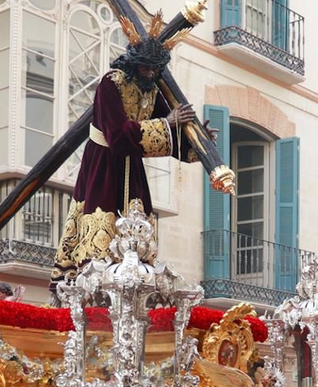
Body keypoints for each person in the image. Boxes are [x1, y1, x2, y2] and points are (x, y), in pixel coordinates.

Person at [50, 21, 206, 283]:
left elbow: (168, 133)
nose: (150, 72)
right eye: (146, 66)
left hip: (132, 169)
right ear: (133, 62)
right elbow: (118, 136)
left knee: (137, 231)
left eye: (155, 68)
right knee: (99, 232)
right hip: (104, 164)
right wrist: (168, 122)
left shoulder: (152, 90)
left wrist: (196, 143)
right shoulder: (110, 84)